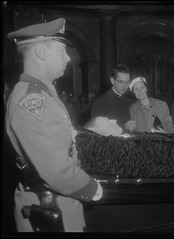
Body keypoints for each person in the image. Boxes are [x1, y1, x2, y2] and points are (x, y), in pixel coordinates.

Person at [5, 18, 103, 232]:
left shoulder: (41, 92)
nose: (68, 58)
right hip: (48, 212)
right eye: (62, 51)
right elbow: (55, 171)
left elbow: (55, 138)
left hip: (56, 205)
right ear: (41, 52)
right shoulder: (31, 100)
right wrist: (93, 188)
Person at [90, 65, 136, 131]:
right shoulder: (100, 102)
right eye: (120, 82)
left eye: (127, 82)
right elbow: (95, 128)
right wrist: (123, 127)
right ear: (112, 81)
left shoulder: (130, 102)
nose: (124, 86)